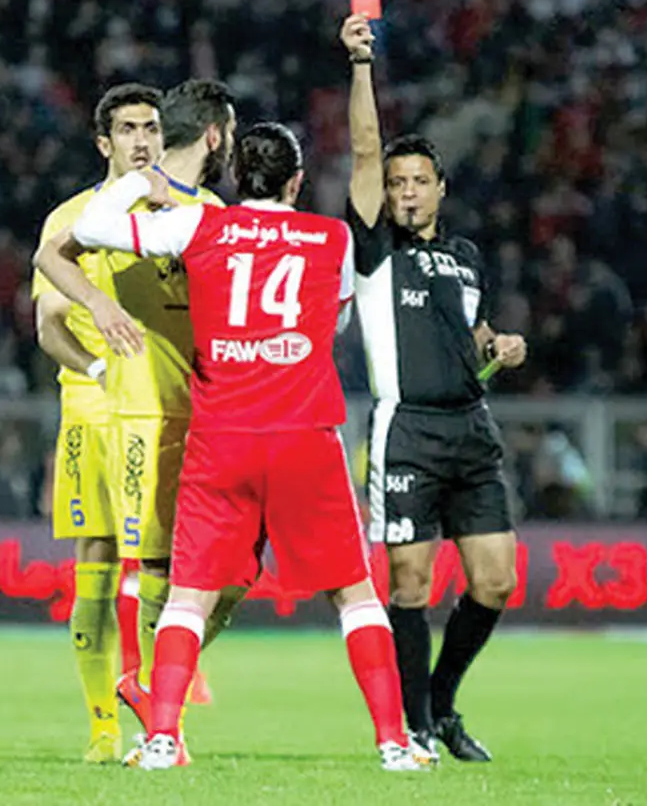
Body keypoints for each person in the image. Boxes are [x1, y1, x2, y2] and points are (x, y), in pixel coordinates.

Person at [34, 123, 429, 772]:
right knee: (355, 593)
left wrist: (144, 179)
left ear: (235, 178)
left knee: (190, 592)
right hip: (305, 434)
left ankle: (161, 738)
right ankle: (393, 742)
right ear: (298, 181)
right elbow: (334, 320)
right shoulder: (330, 237)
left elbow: (97, 225)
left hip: (221, 436)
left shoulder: (199, 226)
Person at [341, 14, 527, 763]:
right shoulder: (374, 248)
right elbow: (360, 146)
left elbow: (471, 338)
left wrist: (499, 346)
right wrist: (361, 65)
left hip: (471, 428)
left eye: (420, 181)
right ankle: (413, 723)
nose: (408, 191)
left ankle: (442, 701)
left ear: (441, 189)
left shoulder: (467, 256)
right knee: (411, 581)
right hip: (407, 429)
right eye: (397, 182)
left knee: (495, 580)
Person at [103, 79, 245, 747]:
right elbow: (51, 256)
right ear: (215, 133)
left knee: (230, 571)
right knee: (153, 560)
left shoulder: (212, 207)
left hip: (213, 411)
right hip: (142, 404)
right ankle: (142, 685)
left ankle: (163, 680)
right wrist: (99, 306)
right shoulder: (118, 197)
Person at [31, 82, 163, 764]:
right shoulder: (72, 219)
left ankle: (160, 719)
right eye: (129, 129)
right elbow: (47, 326)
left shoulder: (185, 213)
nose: (143, 140)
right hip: (95, 407)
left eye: (152, 127)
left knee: (170, 569)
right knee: (99, 560)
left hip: (167, 408)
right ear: (104, 142)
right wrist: (94, 370)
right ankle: (104, 725)